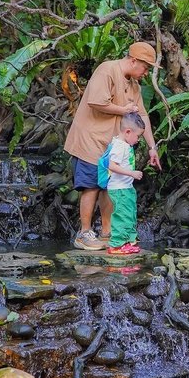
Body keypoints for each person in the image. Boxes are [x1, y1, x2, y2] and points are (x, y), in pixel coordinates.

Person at [64, 41, 162, 250]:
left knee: (109, 185)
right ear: (133, 61)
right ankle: (84, 233)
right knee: (90, 185)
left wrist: (152, 147)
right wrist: (125, 110)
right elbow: (95, 102)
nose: (146, 73)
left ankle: (107, 232)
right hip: (90, 139)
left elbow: (142, 115)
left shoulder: (134, 85)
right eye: (145, 67)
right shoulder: (107, 70)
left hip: (112, 145)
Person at [103, 112, 144, 255]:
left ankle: (128, 241)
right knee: (121, 214)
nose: (138, 139)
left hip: (126, 187)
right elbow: (112, 165)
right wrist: (132, 173)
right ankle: (116, 245)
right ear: (128, 132)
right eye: (137, 136)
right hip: (119, 189)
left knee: (130, 213)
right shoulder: (119, 146)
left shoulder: (125, 145)